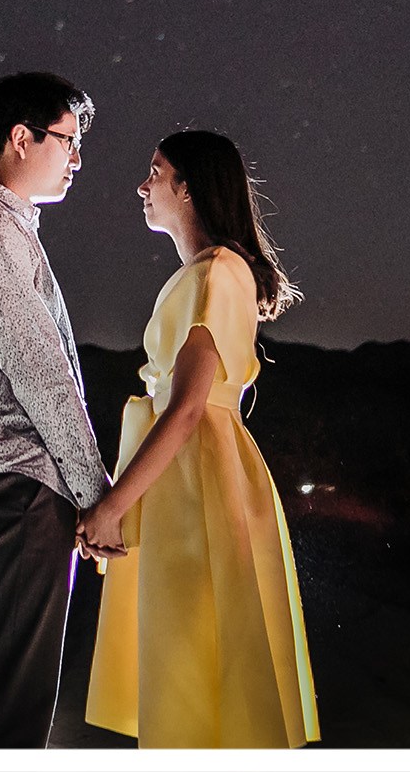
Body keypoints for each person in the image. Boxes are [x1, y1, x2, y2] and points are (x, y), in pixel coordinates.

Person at [79, 128, 319, 748]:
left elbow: (186, 410)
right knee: (204, 671)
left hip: (196, 493)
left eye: (155, 172)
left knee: (194, 667)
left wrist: (111, 506)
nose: (143, 185)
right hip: (198, 484)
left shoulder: (214, 273)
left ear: (187, 188)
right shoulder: (213, 273)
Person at [0, 71, 116, 747]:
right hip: (16, 485)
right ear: (20, 137)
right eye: (68, 140)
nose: (77, 158)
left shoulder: (7, 232)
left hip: (19, 487)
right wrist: (99, 497)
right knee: (12, 705)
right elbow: (42, 374)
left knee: (16, 697)